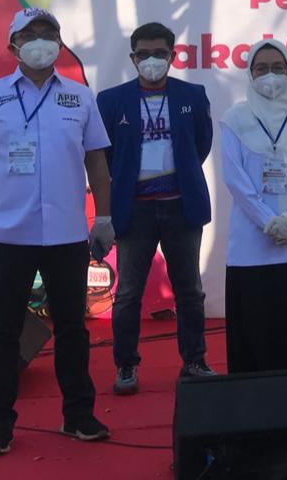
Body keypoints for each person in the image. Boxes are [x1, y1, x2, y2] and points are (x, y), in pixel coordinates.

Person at [0, 8, 113, 456]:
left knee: (72, 329)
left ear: (59, 43)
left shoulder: (79, 97)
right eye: (30, 34)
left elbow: (97, 161)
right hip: (7, 237)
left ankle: (78, 415)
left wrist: (103, 217)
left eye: (49, 33)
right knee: (2, 331)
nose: (41, 40)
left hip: (66, 235)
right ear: (13, 46)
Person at [97, 22, 215, 396]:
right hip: (135, 210)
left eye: (159, 53)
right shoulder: (111, 100)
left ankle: (194, 361)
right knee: (128, 293)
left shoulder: (192, 95)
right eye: (144, 54)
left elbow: (201, 145)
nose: (152, 60)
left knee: (190, 291)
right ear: (133, 58)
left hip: (181, 207)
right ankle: (126, 365)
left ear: (172, 56)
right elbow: (106, 154)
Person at [220, 39, 287, 373]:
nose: (271, 75)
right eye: (262, 68)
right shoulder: (234, 119)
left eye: (278, 68)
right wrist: (268, 221)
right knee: (257, 337)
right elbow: (235, 179)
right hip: (252, 245)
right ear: (250, 74)